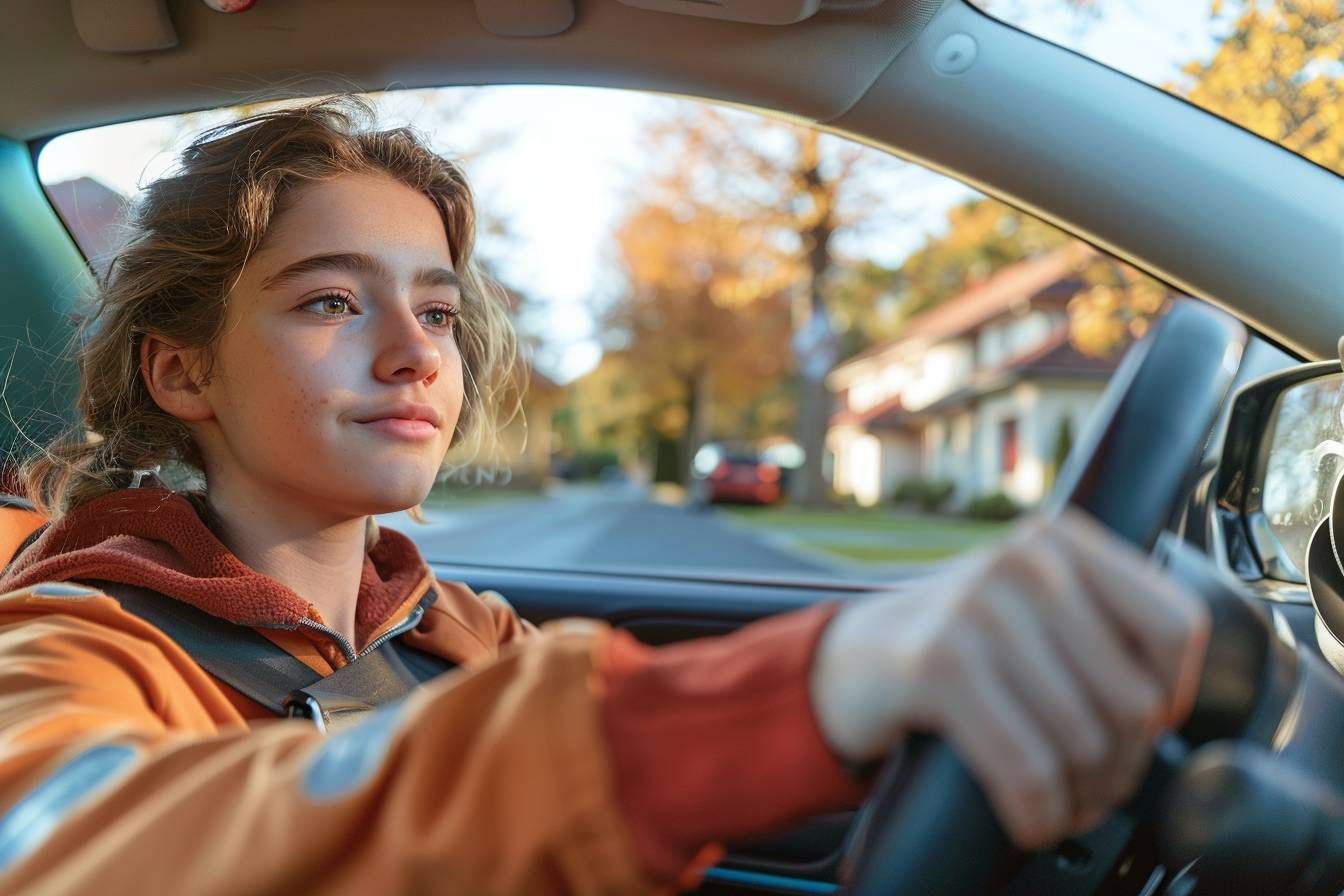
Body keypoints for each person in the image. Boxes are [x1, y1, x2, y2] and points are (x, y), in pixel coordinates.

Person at [0, 96, 1208, 895]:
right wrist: (814, 682)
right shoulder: (68, 643)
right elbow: (63, 846)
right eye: (331, 301)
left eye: (437, 310)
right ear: (184, 370)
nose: (415, 353)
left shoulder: (450, 626)